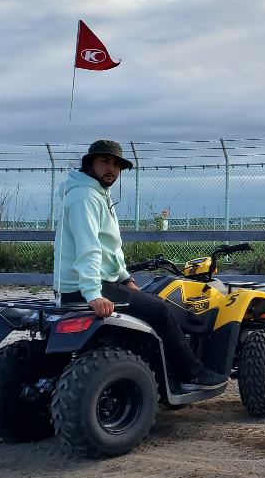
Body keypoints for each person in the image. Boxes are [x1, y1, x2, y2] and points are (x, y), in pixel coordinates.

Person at [55, 140, 228, 390]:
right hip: (88, 287)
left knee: (146, 305)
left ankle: (153, 369)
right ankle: (192, 372)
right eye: (105, 161)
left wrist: (126, 280)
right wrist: (92, 294)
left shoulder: (95, 193)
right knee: (160, 310)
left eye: (116, 164)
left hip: (93, 283)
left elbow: (108, 249)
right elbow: (89, 248)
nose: (111, 169)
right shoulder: (87, 197)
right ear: (89, 164)